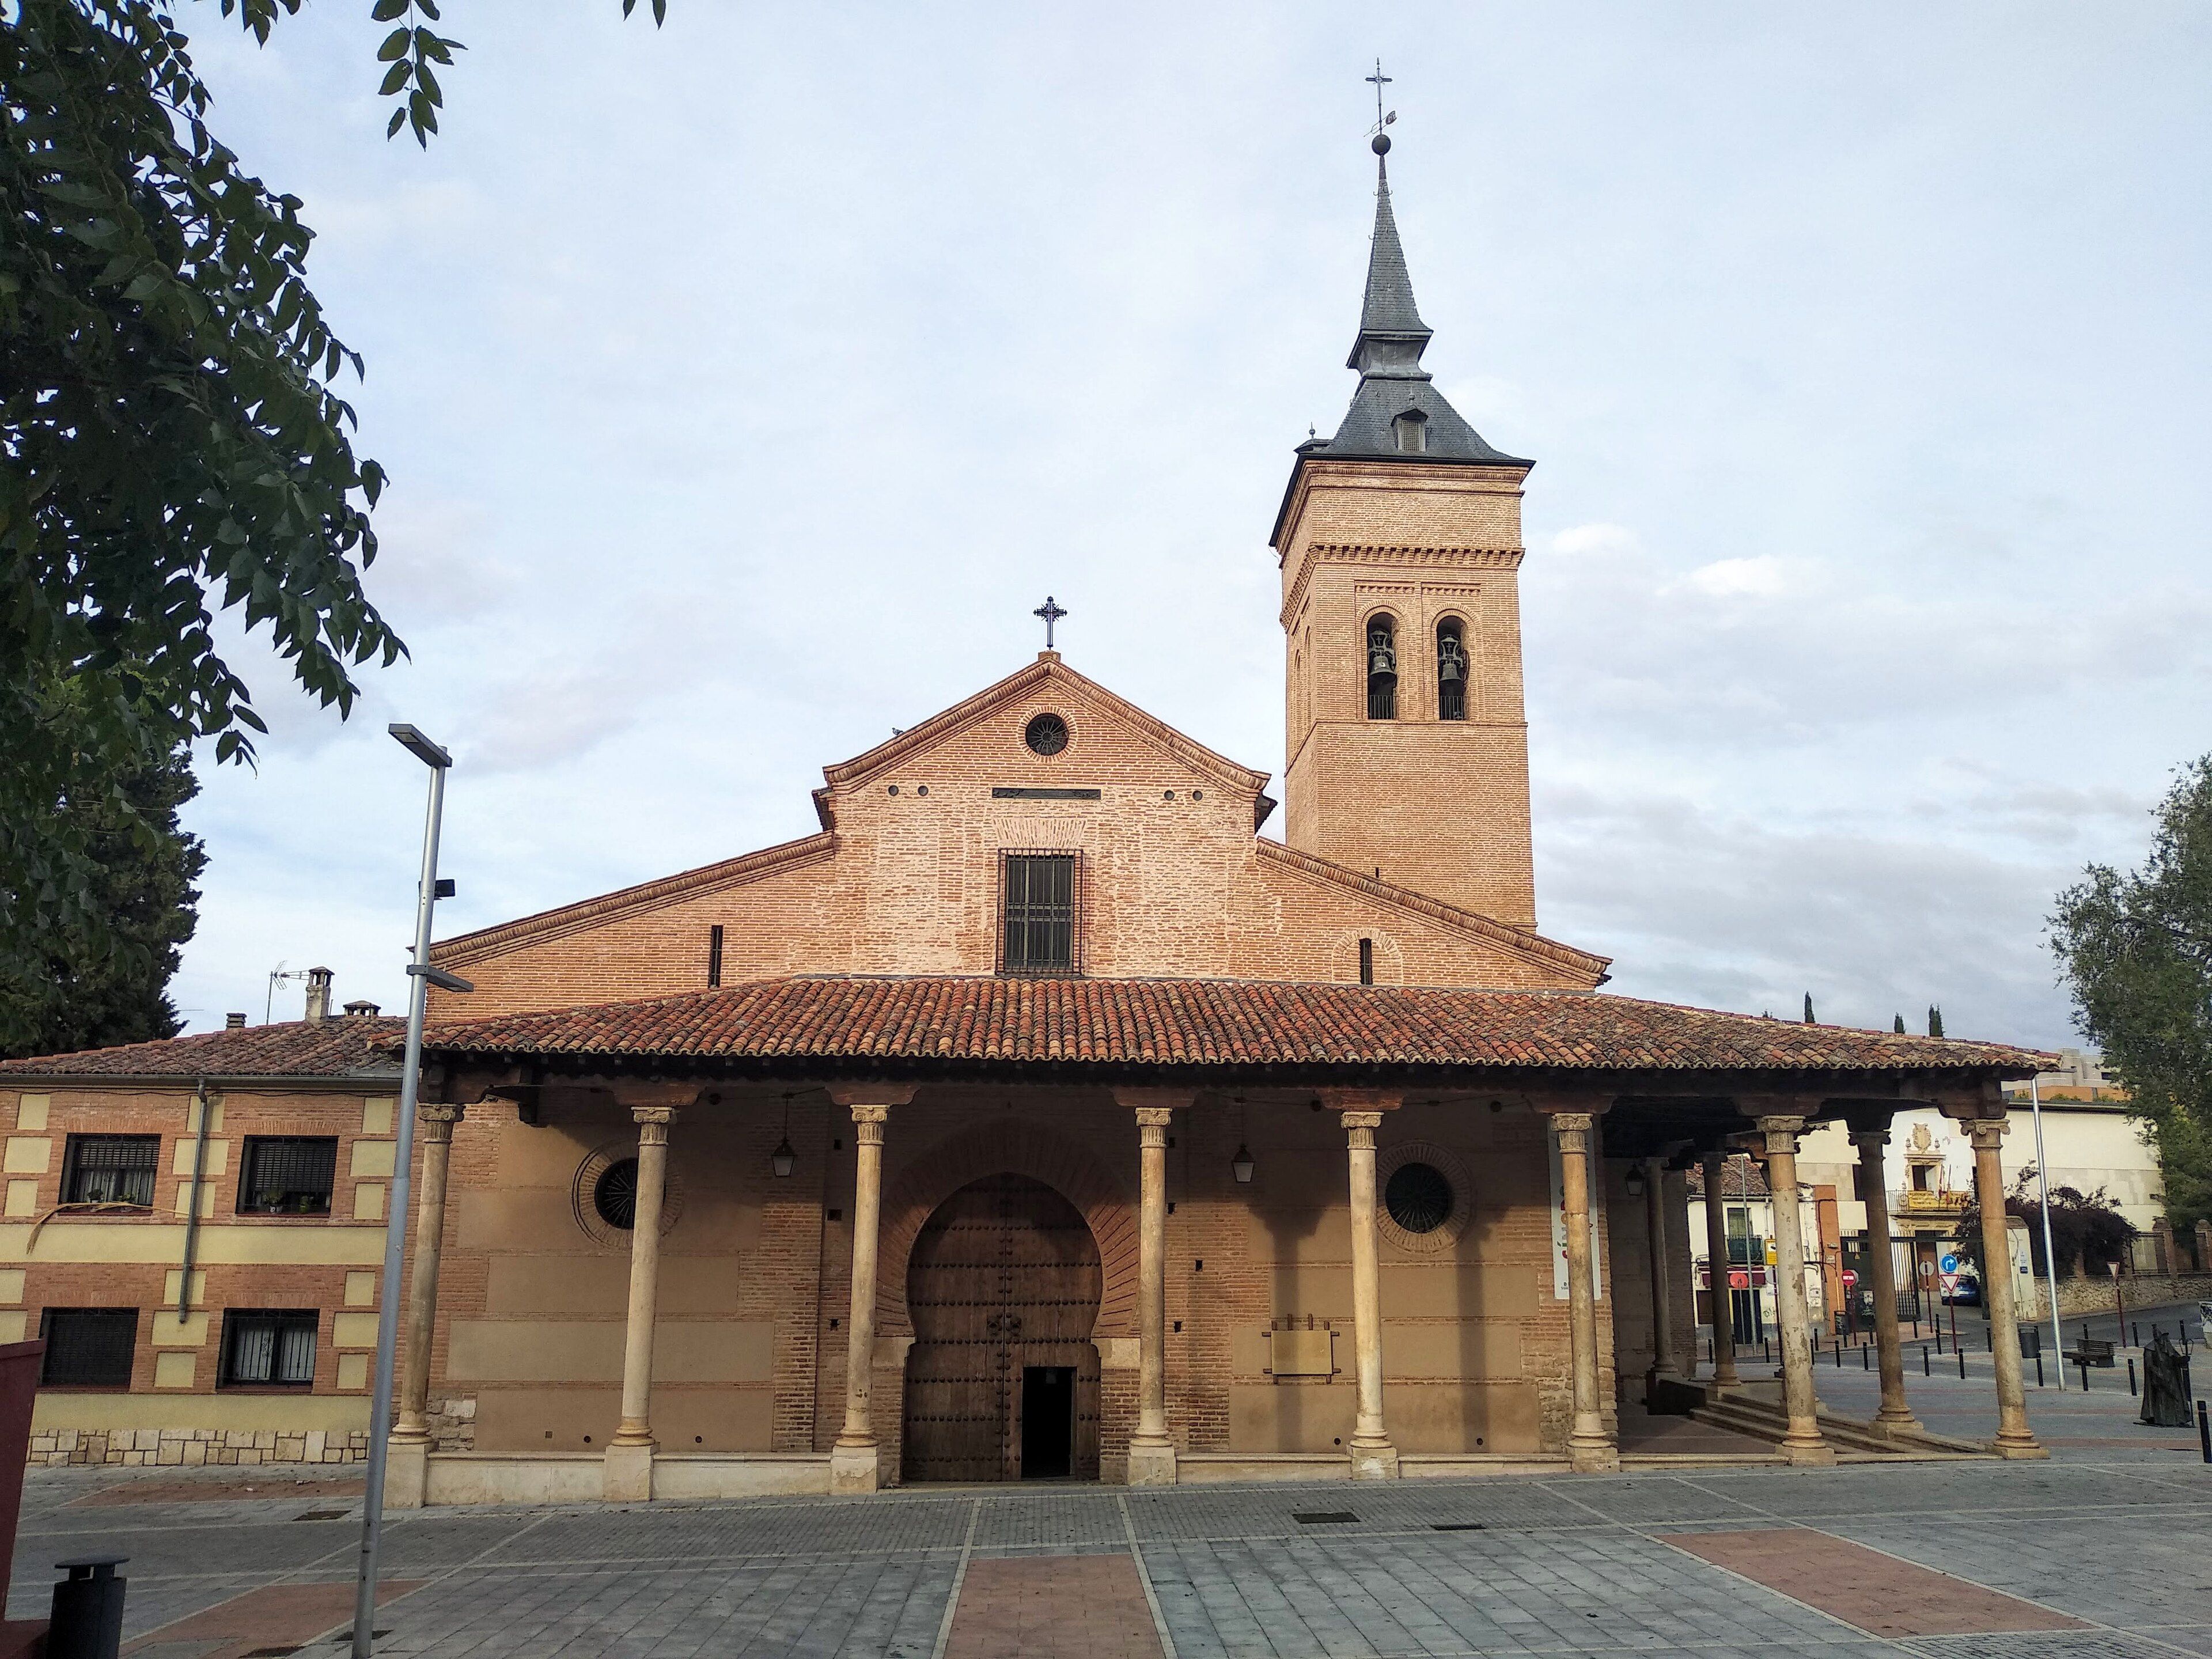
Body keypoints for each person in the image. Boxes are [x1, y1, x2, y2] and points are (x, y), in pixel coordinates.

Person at [2140, 1329, 2193, 1429]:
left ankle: (2179, 1419)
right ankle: (2163, 1419)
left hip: (2171, 1377)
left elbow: (2175, 1358)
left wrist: (2183, 1360)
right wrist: (2160, 1375)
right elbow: (2149, 1365)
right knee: (2163, 1399)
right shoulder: (2150, 1348)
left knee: (2177, 1397)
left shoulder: (2168, 1347)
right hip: (2159, 1378)